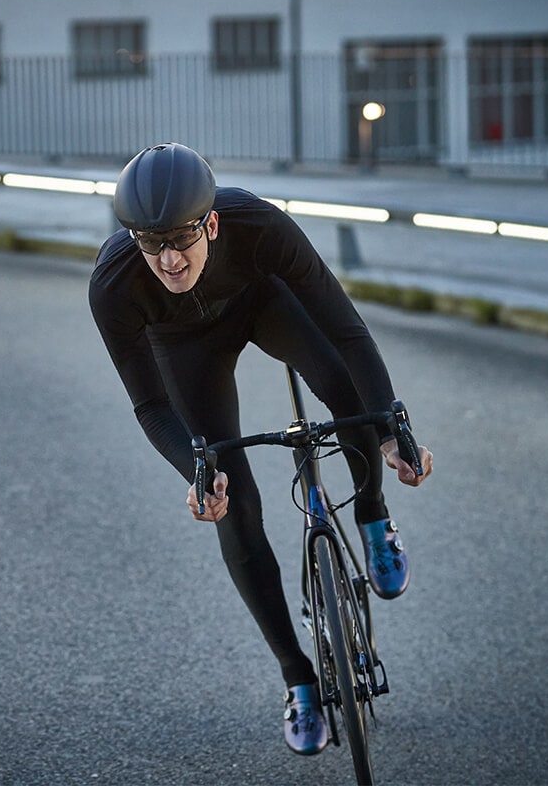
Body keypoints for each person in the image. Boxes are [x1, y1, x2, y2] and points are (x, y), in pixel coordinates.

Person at [88, 143, 434, 756]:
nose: (167, 260)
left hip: (264, 300)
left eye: (180, 240)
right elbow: (150, 407)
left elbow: (349, 332)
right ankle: (297, 677)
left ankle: (373, 514)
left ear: (211, 223)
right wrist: (196, 475)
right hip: (184, 348)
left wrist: (390, 430)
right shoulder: (115, 284)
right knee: (235, 504)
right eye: (149, 242)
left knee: (347, 396)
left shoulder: (260, 225)